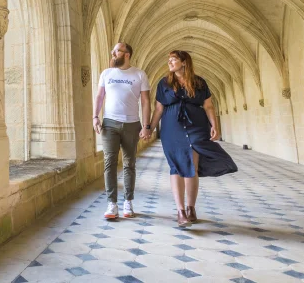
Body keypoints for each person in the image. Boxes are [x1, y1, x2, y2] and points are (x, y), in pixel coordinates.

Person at [149, 50, 237, 227]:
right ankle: (180, 211)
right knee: (176, 166)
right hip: (172, 129)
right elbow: (158, 109)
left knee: (192, 166)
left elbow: (208, 106)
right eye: (169, 60)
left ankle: (191, 207)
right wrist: (149, 128)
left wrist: (215, 125)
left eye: (173, 59)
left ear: (184, 62)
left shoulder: (199, 82)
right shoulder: (164, 83)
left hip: (196, 126)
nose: (170, 62)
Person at [93, 42, 151, 219]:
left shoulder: (139, 74)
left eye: (117, 51)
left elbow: (146, 102)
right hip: (109, 124)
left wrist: (147, 126)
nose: (113, 54)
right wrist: (95, 116)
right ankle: (112, 204)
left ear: (126, 54)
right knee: (109, 163)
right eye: (113, 51)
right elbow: (100, 96)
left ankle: (128, 201)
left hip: (132, 124)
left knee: (129, 164)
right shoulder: (106, 73)